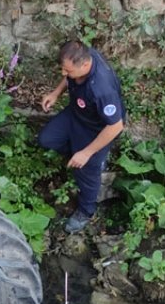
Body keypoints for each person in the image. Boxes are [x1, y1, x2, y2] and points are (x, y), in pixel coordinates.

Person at [38, 40, 127, 233]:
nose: (64, 74)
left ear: (85, 65)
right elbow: (69, 77)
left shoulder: (102, 89)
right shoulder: (83, 56)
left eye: (67, 71)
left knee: (86, 169)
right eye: (63, 69)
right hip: (76, 114)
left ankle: (86, 210)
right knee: (46, 139)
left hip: (97, 129)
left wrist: (86, 154)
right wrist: (56, 93)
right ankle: (83, 156)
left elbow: (116, 126)